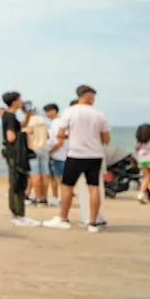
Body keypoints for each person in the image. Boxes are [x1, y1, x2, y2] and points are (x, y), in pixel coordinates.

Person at [44, 85, 111, 232]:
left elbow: (60, 134)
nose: (93, 99)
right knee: (93, 187)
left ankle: (63, 218)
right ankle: (92, 222)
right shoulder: (99, 114)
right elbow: (106, 138)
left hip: (76, 154)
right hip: (95, 155)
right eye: (92, 97)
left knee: (67, 186)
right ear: (87, 96)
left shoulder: (69, 112)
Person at [1, 92, 38, 227]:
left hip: (11, 153)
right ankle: (19, 214)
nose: (21, 102)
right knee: (18, 183)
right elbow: (11, 136)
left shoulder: (8, 115)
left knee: (15, 183)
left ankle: (17, 214)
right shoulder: (10, 117)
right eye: (19, 100)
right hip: (15, 154)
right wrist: (23, 134)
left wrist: (27, 116)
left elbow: (20, 126)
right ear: (14, 101)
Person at [42, 103, 65, 205]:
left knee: (59, 178)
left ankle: (63, 198)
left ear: (54, 111)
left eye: (48, 111)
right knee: (52, 178)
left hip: (58, 154)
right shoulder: (55, 123)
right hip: (56, 153)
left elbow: (59, 141)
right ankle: (55, 197)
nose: (46, 114)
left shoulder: (57, 123)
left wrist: (50, 152)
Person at [134, 124, 150, 204]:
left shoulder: (139, 140)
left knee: (146, 177)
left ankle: (141, 194)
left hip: (141, 160)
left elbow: (136, 148)